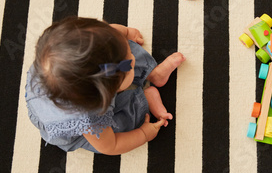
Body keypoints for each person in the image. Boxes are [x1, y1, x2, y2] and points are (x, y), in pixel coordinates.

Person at [25, 16, 185, 155]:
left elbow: (109, 33)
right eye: (129, 64)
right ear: (107, 94)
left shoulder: (72, 50)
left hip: (93, 79)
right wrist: (143, 134)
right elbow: (111, 145)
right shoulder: (90, 119)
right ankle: (143, 101)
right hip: (87, 122)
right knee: (121, 125)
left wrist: (126, 34)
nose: (132, 56)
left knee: (118, 51)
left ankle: (153, 74)